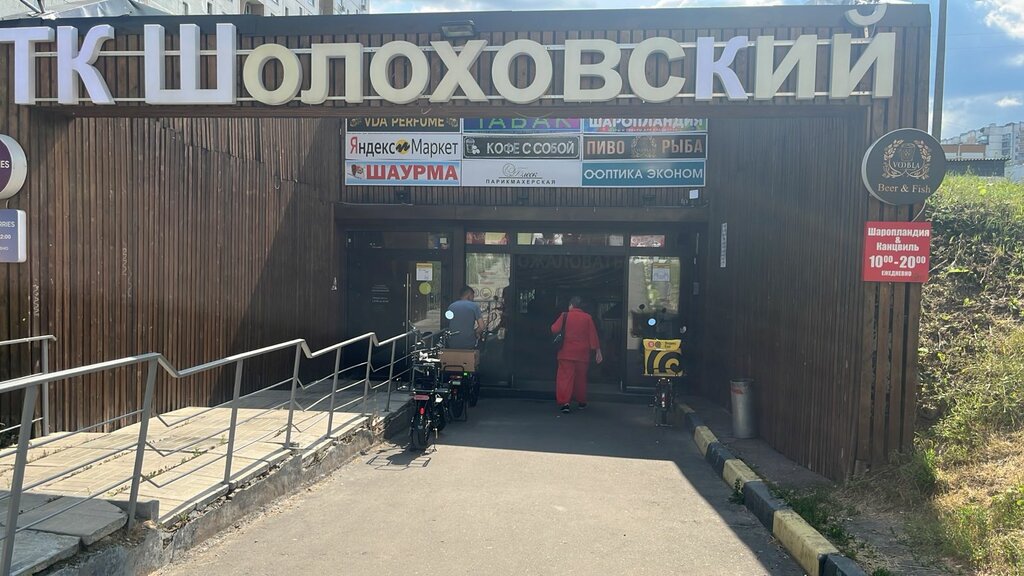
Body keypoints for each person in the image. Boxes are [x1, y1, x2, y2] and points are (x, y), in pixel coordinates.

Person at [550, 296, 603, 414]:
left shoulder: (565, 315)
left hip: (566, 352)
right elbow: (593, 335)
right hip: (582, 354)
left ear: (571, 305)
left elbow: (554, 329)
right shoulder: (587, 318)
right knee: (580, 378)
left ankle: (565, 403)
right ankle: (581, 401)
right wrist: (598, 351)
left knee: (565, 378)